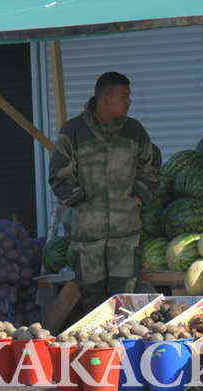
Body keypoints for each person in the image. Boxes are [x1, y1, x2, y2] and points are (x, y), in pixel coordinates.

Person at [49, 71, 161, 313]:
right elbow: (58, 176)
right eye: (124, 96)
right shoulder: (74, 131)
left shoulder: (134, 131)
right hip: (88, 236)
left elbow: (151, 166)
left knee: (125, 300)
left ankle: (123, 347)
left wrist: (138, 196)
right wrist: (81, 202)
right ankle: (99, 349)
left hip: (126, 233)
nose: (129, 101)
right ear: (105, 98)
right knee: (92, 301)